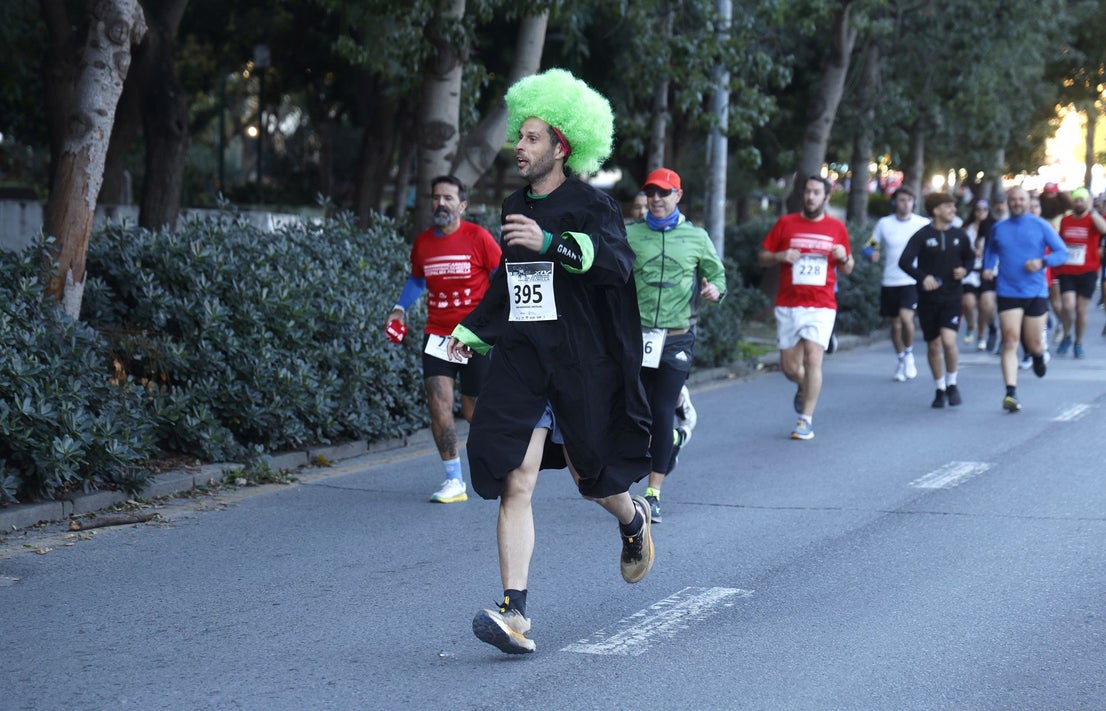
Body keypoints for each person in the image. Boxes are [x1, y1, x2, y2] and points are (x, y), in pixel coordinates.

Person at [445, 69, 654, 655]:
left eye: (533, 138)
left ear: (562, 146)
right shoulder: (514, 203)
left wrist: (553, 244)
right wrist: (472, 332)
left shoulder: (593, 204)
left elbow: (615, 264)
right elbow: (512, 282)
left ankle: (631, 517)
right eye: (520, 136)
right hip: (525, 362)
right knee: (517, 477)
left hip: (581, 364)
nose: (521, 146)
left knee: (594, 481)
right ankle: (515, 612)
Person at [385, 176, 501, 503]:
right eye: (436, 198)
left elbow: (500, 281)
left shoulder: (479, 238)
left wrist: (493, 324)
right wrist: (399, 309)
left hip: (475, 337)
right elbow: (417, 280)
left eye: (448, 198)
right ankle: (454, 480)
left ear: (462, 205)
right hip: (437, 334)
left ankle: (494, 465)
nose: (441, 203)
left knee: (473, 408)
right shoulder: (423, 243)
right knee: (438, 402)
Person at [626, 167, 725, 524]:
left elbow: (717, 273)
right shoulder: (630, 234)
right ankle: (673, 440)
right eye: (650, 192)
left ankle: (652, 495)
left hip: (677, 336)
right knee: (641, 412)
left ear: (677, 196)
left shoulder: (696, 237)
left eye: (663, 193)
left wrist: (715, 288)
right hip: (638, 338)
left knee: (662, 407)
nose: (655, 199)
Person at [758, 175, 854, 440]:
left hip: (821, 304)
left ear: (826, 197)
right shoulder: (786, 223)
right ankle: (805, 386)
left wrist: (842, 257)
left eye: (816, 192)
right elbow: (763, 256)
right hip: (789, 304)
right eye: (807, 192)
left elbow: (848, 267)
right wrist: (779, 255)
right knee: (790, 368)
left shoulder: (836, 228)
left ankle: (805, 420)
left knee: (813, 357)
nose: (810, 196)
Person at [981, 186, 1068, 412]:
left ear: (1029, 202)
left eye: (1022, 199)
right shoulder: (999, 228)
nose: (1017, 203)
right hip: (1007, 291)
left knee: (1034, 343)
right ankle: (1010, 392)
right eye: (1013, 199)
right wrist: (988, 268)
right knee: (1010, 340)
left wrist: (1042, 262)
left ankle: (1038, 356)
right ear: (1008, 202)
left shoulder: (1041, 226)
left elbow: (1062, 252)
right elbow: (991, 251)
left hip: (1035, 292)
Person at [897, 192, 975, 408]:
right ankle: (940, 388)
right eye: (949, 206)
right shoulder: (922, 235)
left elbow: (969, 257)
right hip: (928, 299)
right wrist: (924, 277)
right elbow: (904, 261)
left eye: (953, 206)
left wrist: (965, 270)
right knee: (933, 346)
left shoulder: (959, 235)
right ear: (936, 210)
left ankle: (952, 383)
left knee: (948, 341)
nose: (954, 210)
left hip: (952, 296)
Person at [866, 186, 929, 381]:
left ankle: (909, 354)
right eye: (902, 200)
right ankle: (901, 358)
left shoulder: (923, 224)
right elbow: (870, 246)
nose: (906, 204)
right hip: (890, 280)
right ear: (895, 203)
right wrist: (872, 254)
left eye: (909, 200)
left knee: (906, 318)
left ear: (914, 203)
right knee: (895, 326)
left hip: (911, 279)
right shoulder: (885, 224)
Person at [1054, 186, 1106, 358]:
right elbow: (1060, 242)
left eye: (1082, 200)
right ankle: (1067, 335)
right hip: (1067, 269)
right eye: (1076, 200)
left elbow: (1104, 229)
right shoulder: (1066, 220)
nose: (1079, 203)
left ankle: (1078, 342)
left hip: (1088, 270)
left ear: (1088, 202)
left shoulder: (1093, 219)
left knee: (1081, 310)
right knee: (1068, 305)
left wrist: (1092, 211)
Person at [960, 199, 993, 347]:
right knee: (968, 303)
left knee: (984, 306)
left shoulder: (993, 228)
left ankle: (981, 335)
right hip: (970, 271)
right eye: (978, 209)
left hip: (986, 271)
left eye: (984, 209)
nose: (981, 212)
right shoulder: (966, 229)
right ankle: (970, 325)